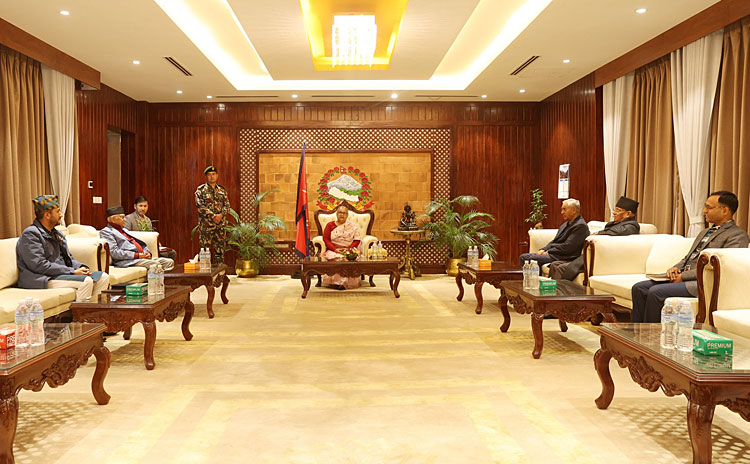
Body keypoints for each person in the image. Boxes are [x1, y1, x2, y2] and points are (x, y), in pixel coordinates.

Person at [631, 191, 750, 323]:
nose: (704, 211)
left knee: (656, 292)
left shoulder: (737, 235)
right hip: (683, 277)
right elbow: (688, 257)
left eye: (709, 207)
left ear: (725, 210)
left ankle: (651, 333)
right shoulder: (705, 232)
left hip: (702, 283)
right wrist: (675, 268)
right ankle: (636, 330)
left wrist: (683, 277)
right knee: (639, 288)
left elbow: (723, 268)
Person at [17, 195, 109, 302]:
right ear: (47, 215)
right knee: (86, 281)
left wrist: (81, 267)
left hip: (60, 274)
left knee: (103, 277)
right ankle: (81, 312)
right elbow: (39, 265)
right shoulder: (31, 234)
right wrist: (72, 271)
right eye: (58, 211)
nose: (61, 215)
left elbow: (68, 258)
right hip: (41, 278)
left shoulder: (57, 234)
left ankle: (95, 311)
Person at [549, 196, 640, 281]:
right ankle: (550, 291)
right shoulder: (615, 224)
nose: (614, 213)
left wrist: (598, 233)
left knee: (561, 268)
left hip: (603, 259)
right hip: (591, 256)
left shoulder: (632, 226)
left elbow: (618, 232)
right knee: (554, 264)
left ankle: (561, 291)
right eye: (615, 209)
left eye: (618, 210)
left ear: (628, 214)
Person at [519, 198, 589, 267]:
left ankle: (535, 275)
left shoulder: (580, 226)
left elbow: (567, 247)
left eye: (564, 209)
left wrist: (548, 251)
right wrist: (544, 249)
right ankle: (534, 274)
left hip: (565, 257)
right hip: (555, 254)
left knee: (530, 259)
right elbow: (555, 241)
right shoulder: (565, 224)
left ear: (574, 210)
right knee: (523, 257)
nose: (562, 212)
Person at [100, 206, 174, 270]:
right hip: (128, 260)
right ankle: (155, 281)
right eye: (122, 217)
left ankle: (163, 281)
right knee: (155, 264)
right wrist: (137, 255)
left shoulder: (124, 230)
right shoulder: (106, 232)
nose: (125, 220)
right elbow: (114, 252)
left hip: (140, 257)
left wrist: (147, 252)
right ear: (113, 219)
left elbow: (139, 244)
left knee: (169, 262)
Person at [195, 165, 230, 264]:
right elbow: (200, 206)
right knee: (204, 252)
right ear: (206, 176)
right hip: (206, 226)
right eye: (209, 174)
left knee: (220, 251)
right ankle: (205, 272)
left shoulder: (222, 190)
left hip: (220, 226)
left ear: (217, 176)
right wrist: (213, 216)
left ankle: (220, 272)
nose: (212, 176)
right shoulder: (201, 190)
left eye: (213, 174)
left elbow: (227, 205)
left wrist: (221, 215)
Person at [124, 195, 177, 260]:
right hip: (137, 248)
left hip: (149, 246)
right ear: (135, 206)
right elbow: (126, 236)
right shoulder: (129, 218)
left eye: (145, 206)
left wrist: (158, 244)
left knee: (172, 253)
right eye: (140, 206)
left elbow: (151, 235)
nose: (143, 209)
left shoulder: (148, 220)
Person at [321, 205, 362, 290]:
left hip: (349, 250)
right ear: (336, 214)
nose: (342, 215)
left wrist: (348, 250)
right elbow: (326, 239)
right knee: (335, 257)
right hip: (334, 249)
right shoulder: (330, 225)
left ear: (347, 215)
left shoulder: (352, 226)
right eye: (340, 212)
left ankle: (345, 283)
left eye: (344, 213)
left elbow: (357, 240)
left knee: (350, 258)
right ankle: (335, 282)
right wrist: (334, 249)